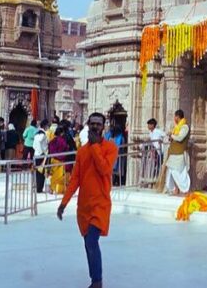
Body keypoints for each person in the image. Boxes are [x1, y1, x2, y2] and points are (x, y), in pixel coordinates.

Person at [57, 112, 118, 288]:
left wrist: (95, 147)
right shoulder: (82, 151)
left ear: (103, 127)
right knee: (87, 243)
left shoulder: (110, 148)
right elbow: (75, 179)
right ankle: (94, 278)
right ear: (88, 125)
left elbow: (104, 169)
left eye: (99, 124)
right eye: (92, 124)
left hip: (101, 204)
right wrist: (64, 203)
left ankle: (97, 281)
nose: (95, 127)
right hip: (84, 205)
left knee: (92, 241)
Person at [165, 109, 191, 196]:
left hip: (179, 153)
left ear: (178, 117)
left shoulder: (185, 127)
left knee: (180, 172)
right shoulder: (176, 128)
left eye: (175, 117)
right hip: (173, 153)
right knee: (172, 172)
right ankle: (175, 189)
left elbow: (180, 138)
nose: (174, 118)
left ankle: (185, 190)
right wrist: (171, 136)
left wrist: (171, 135)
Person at [33, 119, 50, 193]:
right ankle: (39, 188)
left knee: (37, 172)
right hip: (42, 155)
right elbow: (45, 145)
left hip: (36, 154)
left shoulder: (36, 134)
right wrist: (44, 151)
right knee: (41, 172)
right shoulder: (44, 135)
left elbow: (34, 145)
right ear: (45, 126)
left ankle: (37, 187)